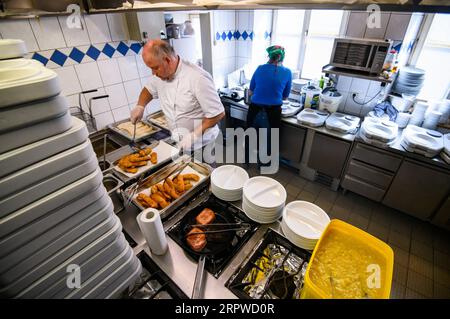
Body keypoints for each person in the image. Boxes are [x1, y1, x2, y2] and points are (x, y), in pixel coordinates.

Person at [130, 39, 225, 160]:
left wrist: (194, 135)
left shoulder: (197, 78)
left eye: (155, 68)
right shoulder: (160, 75)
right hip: (179, 142)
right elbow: (147, 90)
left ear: (168, 60)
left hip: (203, 145)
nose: (153, 73)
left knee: (205, 176)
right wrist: (140, 106)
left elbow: (217, 114)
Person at [245, 45, 292, 167]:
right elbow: (285, 97)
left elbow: (250, 90)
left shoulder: (260, 68)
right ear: (282, 57)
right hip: (273, 112)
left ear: (269, 56)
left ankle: (246, 163)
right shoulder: (287, 72)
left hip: (255, 109)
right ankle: (263, 167)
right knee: (269, 141)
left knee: (249, 136)